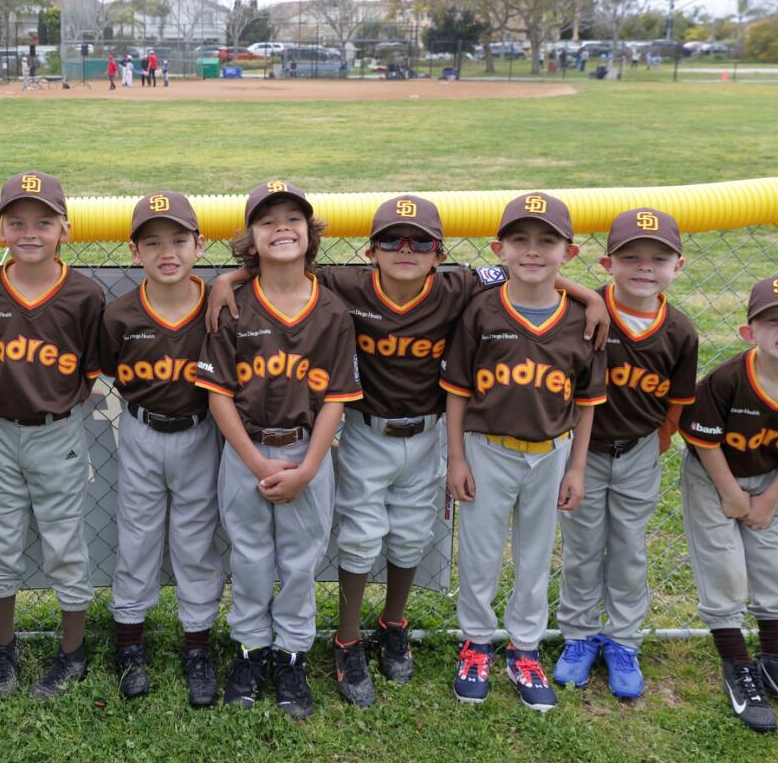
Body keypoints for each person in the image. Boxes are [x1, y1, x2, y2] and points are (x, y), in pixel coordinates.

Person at [205, 195, 605, 708]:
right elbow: (283, 266)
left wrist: (587, 296)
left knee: (412, 537)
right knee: (358, 537)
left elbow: (524, 270)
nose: (406, 249)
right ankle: (346, 638)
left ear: (440, 253)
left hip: (428, 432)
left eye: (421, 241)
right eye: (391, 239)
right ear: (370, 250)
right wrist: (227, 280)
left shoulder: (455, 284)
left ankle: (393, 623)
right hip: (366, 430)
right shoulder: (344, 285)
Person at [195, 180, 362, 719]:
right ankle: (249, 649)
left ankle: (290, 653)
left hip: (308, 451)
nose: (282, 228)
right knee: (247, 556)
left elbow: (336, 398)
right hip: (247, 451)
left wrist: (308, 469)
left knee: (300, 560)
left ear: (311, 236)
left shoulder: (332, 310)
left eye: (294, 219)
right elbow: (219, 395)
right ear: (251, 240)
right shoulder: (233, 304)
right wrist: (256, 462)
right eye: (267, 221)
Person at [441, 192, 605, 712]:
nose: (533, 251)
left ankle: (525, 648)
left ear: (569, 253)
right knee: (481, 554)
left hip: (552, 451)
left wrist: (577, 466)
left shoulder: (583, 317)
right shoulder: (481, 309)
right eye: (520, 240)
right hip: (487, 447)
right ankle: (475, 642)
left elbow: (586, 402)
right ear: (499, 248)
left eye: (547, 241)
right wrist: (457, 458)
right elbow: (458, 390)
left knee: (536, 556)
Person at [679, 275, 778, 732]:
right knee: (725, 568)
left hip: (770, 478)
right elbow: (705, 443)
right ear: (749, 333)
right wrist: (730, 493)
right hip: (713, 478)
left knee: (770, 566)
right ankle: (738, 667)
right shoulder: (728, 379)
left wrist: (768, 499)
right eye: (773, 320)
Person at [554, 209, 698, 700]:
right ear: (606, 262)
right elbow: (539, 273)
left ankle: (623, 640)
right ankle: (577, 637)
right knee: (582, 549)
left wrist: (654, 445)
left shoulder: (681, 331)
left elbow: (676, 404)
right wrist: (589, 295)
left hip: (639, 449)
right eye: (630, 256)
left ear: (678, 267)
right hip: (583, 451)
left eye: (658, 259)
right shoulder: (588, 313)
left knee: (630, 552)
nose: (644, 267)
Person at [0, 171, 105, 701]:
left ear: (65, 229)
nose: (31, 232)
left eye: (44, 222)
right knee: (2, 541)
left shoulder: (83, 293)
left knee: (64, 543)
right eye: (18, 222)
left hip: (58, 431)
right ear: (1, 229)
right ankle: (4, 647)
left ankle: (72, 651)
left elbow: (90, 372)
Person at [99, 192, 222, 707]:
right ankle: (129, 642)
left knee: (197, 539)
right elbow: (109, 366)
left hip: (202, 430)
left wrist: (230, 282)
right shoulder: (120, 314)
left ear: (200, 244)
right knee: (138, 534)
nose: (166, 252)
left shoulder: (221, 305)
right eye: (152, 243)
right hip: (143, 431)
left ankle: (197, 644)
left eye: (178, 240)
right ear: (134, 252)